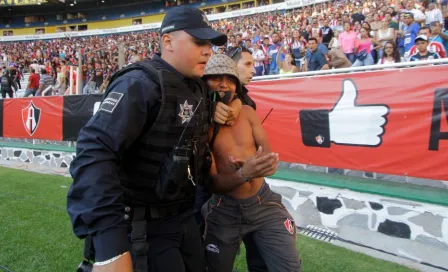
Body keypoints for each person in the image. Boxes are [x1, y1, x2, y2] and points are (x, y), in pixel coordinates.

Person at [67, 6, 278, 272]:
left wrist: (233, 105)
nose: (208, 51)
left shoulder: (199, 87)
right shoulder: (139, 83)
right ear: (167, 41)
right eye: (198, 42)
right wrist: (110, 247)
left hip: (184, 219)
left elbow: (238, 95)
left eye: (210, 44)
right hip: (143, 227)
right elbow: (94, 153)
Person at [201, 54, 302, 272]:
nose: (223, 84)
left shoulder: (247, 112)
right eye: (215, 78)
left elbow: (267, 156)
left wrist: (260, 165)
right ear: (203, 83)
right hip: (223, 210)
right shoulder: (201, 126)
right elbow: (212, 184)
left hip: (264, 203)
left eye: (229, 79)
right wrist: (243, 173)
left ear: (236, 87)